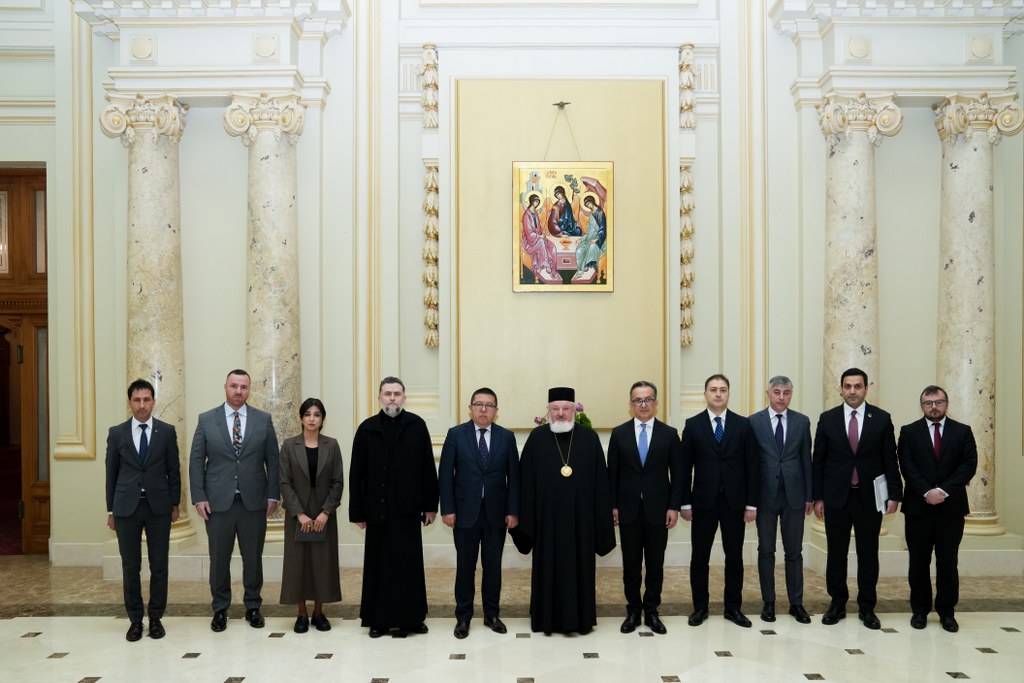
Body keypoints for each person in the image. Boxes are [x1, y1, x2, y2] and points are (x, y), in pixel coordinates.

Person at [512, 387, 615, 635]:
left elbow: (601, 483)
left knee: (580, 569)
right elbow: (525, 483)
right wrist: (525, 519)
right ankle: (545, 619)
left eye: (566, 408)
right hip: (546, 523)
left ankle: (581, 619)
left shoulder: (589, 438)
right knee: (547, 569)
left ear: (574, 411)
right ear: (548, 411)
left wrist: (601, 518)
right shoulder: (537, 439)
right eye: (555, 409)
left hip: (581, 523)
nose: (560, 413)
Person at [189, 369, 280, 632]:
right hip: (217, 503)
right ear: (225, 387)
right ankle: (220, 609)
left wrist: (272, 494)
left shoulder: (263, 420)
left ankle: (253, 606)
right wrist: (199, 497)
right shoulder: (207, 420)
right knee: (219, 559)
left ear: (249, 389)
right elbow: (196, 461)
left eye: (243, 387)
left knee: (253, 558)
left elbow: (273, 460)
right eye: (234, 386)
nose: (238, 391)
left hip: (254, 502)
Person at [812, 367, 902, 630]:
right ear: (840, 389)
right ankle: (837, 603)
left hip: (869, 498)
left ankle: (867, 607)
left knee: (868, 553)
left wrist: (894, 494)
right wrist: (817, 497)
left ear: (866, 388)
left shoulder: (881, 419)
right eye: (848, 386)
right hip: (836, 498)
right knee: (836, 553)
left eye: (857, 386)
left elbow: (890, 459)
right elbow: (819, 461)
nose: (852, 391)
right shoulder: (827, 419)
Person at [349, 376, 439, 638]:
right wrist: (357, 511)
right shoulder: (367, 429)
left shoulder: (417, 426)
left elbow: (427, 468)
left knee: (408, 567)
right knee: (379, 567)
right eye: (387, 393)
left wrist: (430, 506)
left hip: (407, 510)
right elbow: (357, 473)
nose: (392, 398)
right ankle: (378, 620)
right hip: (376, 510)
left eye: (397, 394)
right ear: (379, 397)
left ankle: (412, 619)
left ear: (404, 397)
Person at [438, 388, 520, 639]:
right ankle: (463, 618)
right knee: (466, 567)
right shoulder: (456, 435)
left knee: (493, 567)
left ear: (496, 410)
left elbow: (514, 478)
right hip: (464, 513)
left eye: (489, 405)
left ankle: (492, 615)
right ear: (470, 408)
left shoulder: (506, 437)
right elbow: (445, 475)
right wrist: (448, 509)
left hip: (496, 514)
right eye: (479, 404)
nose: (484, 409)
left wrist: (513, 511)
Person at [680, 373, 759, 628]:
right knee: (699, 557)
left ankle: (733, 608)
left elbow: (752, 467)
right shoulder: (693, 425)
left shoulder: (743, 425)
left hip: (735, 503)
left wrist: (751, 504)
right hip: (702, 503)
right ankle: (700, 608)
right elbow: (684, 468)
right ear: (705, 394)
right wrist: (684, 502)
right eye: (713, 389)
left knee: (734, 557)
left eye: (722, 389)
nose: (717, 394)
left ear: (728, 394)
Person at [105, 378, 180, 642]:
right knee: (130, 566)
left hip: (159, 508)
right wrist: (111, 510)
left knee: (159, 565)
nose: (142, 405)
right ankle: (135, 620)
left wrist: (175, 504)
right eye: (137, 400)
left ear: (153, 402)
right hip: (126, 509)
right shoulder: (117, 433)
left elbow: (174, 470)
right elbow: (111, 473)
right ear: (129, 403)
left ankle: (156, 618)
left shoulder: (166, 432)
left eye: (146, 400)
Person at [898, 385, 977, 633]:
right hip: (918, 509)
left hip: (950, 509)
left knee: (948, 562)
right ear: (922, 406)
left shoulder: (962, 431)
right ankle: (920, 611)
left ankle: (947, 612)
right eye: (928, 403)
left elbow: (968, 465)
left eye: (938, 402)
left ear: (946, 404)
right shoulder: (908, 432)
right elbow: (907, 466)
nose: (934, 407)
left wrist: (942, 492)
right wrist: (926, 492)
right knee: (918, 562)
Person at [607, 381, 683, 635]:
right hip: (627, 510)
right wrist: (613, 505)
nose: (643, 404)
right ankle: (632, 611)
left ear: (656, 403)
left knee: (655, 564)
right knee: (631, 565)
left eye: (648, 399)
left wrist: (674, 506)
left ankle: (651, 611)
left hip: (658, 510)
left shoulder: (669, 434)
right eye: (638, 400)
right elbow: (612, 474)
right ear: (631, 404)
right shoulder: (619, 434)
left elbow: (679, 474)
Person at [749, 376, 813, 624]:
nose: (781, 397)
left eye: (786, 393)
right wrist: (750, 500)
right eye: (777, 392)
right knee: (766, 550)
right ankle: (769, 603)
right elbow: (749, 463)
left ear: (791, 395)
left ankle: (796, 603)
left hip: (794, 496)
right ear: (768, 393)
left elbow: (806, 460)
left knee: (794, 552)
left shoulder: (801, 421)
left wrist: (809, 495)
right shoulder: (754, 422)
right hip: (764, 496)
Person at [279, 397, 345, 634]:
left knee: (322, 563)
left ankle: (318, 612)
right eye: (307, 414)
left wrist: (326, 512)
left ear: (322, 419)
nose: (312, 419)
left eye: (316, 415)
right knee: (298, 563)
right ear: (301, 418)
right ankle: (301, 613)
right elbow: (284, 482)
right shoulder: (289, 445)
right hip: (298, 513)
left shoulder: (332, 445)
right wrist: (299, 514)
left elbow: (338, 481)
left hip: (323, 513)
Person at [521, 193, 559, 283]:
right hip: (529, 242)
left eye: (538, 202)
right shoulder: (526, 215)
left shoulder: (534, 212)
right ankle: (547, 265)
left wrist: (542, 232)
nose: (537, 203)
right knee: (542, 242)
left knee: (552, 247)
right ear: (531, 202)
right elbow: (528, 233)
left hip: (537, 239)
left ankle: (553, 269)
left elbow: (538, 228)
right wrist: (539, 236)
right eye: (535, 201)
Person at [571, 195, 607, 283]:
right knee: (579, 249)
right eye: (586, 205)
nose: (588, 206)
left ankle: (586, 267)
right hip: (589, 238)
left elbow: (603, 229)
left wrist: (597, 238)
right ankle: (580, 269)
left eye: (588, 203)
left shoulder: (600, 213)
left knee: (592, 247)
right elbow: (588, 232)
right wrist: (581, 239)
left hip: (600, 240)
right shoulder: (591, 215)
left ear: (592, 201)